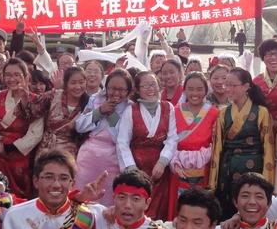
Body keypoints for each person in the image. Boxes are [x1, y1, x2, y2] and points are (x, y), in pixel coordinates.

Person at [210, 68, 274, 219]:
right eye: (226, 85)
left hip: (253, 170)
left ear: (246, 87)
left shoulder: (261, 112)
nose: (228, 89)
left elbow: (268, 148)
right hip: (227, 170)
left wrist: (267, 183)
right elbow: (217, 148)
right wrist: (212, 183)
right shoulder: (223, 113)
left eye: (233, 85)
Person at [117, 71, 178, 220]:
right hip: (137, 168)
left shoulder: (168, 108)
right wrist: (132, 169)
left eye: (153, 84)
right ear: (138, 90)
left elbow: (172, 138)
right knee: (138, 208)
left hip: (160, 171)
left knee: (160, 211)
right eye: (145, 86)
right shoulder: (131, 111)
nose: (150, 89)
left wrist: (162, 162)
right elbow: (122, 142)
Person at [0, 58, 43, 199]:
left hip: (19, 153)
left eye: (17, 75)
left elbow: (35, 133)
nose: (12, 79)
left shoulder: (36, 101)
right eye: (8, 75)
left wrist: (9, 148)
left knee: (16, 196)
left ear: (26, 77)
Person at [75, 70, 133, 205]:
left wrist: (111, 114)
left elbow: (122, 137)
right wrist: (100, 111)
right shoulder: (95, 99)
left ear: (128, 91)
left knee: (106, 199)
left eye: (121, 90)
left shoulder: (130, 107)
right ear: (106, 87)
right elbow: (79, 125)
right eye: (112, 88)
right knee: (82, 198)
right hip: (88, 157)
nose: (116, 93)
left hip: (113, 158)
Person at [168, 73, 219, 219]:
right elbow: (169, 140)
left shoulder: (214, 113)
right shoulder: (174, 111)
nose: (195, 93)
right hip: (179, 166)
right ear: (184, 90)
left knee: (201, 208)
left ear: (206, 90)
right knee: (179, 209)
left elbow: (216, 142)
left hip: (205, 167)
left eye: (199, 89)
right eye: (190, 89)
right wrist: (175, 162)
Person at [17, 65, 89, 158]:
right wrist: (24, 98)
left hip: (71, 156)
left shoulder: (89, 104)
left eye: (81, 82)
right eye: (73, 83)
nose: (78, 87)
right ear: (66, 84)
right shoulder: (53, 95)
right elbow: (31, 112)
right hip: (46, 151)